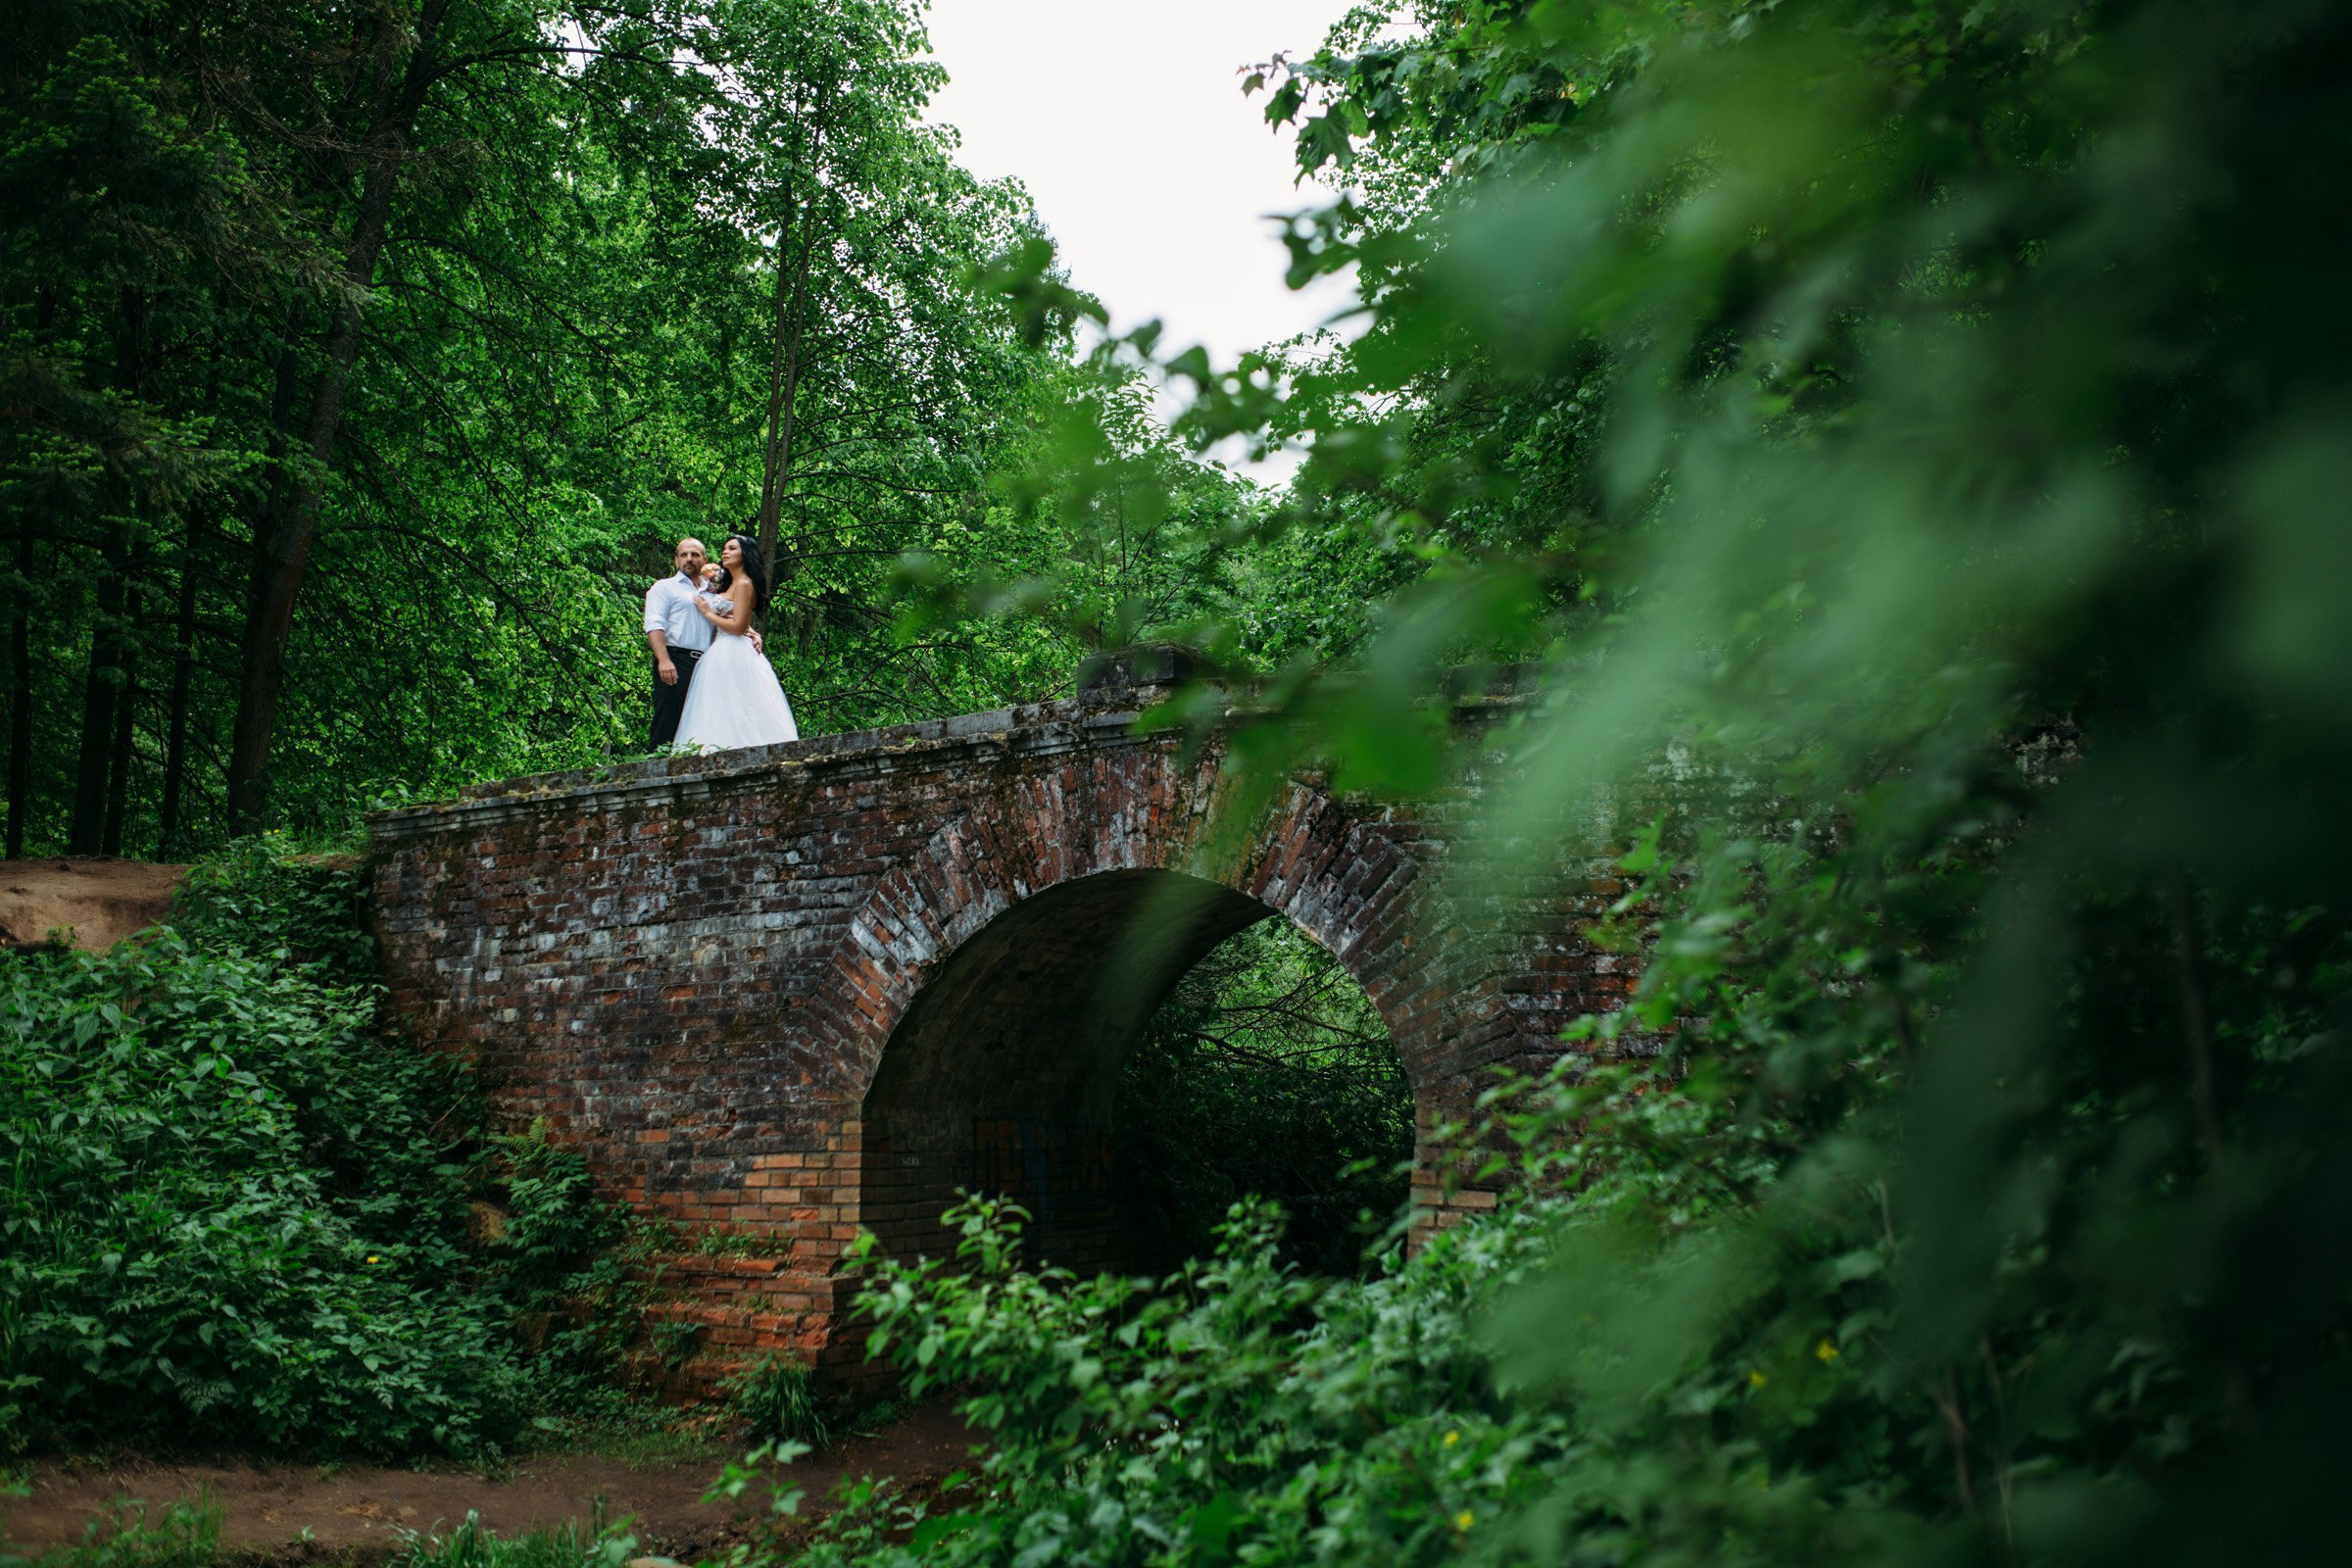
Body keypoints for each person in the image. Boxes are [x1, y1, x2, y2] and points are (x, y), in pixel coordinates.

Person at [673, 533, 799, 750]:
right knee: (719, 703)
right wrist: (752, 631)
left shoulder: (743, 583)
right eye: (724, 548)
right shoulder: (730, 583)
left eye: (732, 548)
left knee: (737, 701)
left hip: (732, 649)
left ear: (745, 554)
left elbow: (738, 626)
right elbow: (736, 617)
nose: (725, 552)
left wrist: (707, 613)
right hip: (721, 649)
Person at [642, 536, 711, 748]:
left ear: (704, 560)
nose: (689, 558)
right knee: (668, 717)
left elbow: (728, 618)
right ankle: (656, 763)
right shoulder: (665, 588)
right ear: (676, 560)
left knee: (701, 720)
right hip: (675, 659)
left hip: (706, 664)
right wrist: (664, 660)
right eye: (684, 555)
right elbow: (654, 624)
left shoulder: (712, 592)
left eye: (695, 554)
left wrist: (751, 633)